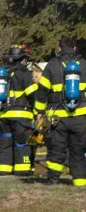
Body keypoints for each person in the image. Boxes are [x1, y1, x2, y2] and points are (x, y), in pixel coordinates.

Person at [35, 37, 86, 186]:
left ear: (59, 48)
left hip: (57, 117)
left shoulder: (52, 65)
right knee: (78, 149)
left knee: (57, 148)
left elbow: (42, 90)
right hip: (79, 116)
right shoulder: (84, 65)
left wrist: (39, 111)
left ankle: (53, 180)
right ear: (75, 48)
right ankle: (80, 181)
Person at [0, 44, 39, 176]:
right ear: (21, 59)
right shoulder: (24, 73)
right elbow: (33, 94)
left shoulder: (4, 74)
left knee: (5, 143)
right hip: (21, 115)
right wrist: (38, 110)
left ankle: (4, 170)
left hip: (3, 115)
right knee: (21, 143)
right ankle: (22, 170)